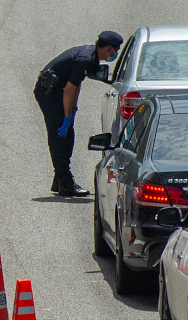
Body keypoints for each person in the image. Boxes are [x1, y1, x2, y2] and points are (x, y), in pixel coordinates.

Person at [35, 30, 123, 197]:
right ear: (109, 48)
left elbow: (76, 86)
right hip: (49, 93)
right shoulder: (85, 59)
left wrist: (73, 110)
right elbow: (69, 89)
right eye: (116, 50)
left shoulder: (91, 56)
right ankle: (65, 182)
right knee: (59, 137)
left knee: (68, 136)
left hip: (58, 91)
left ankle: (59, 179)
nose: (115, 54)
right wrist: (67, 117)